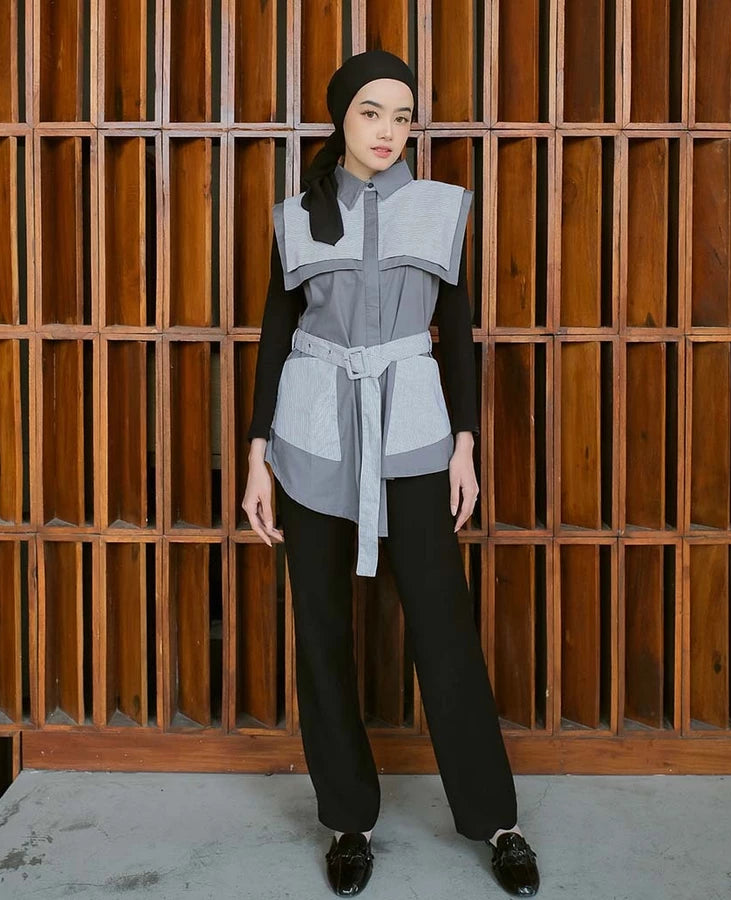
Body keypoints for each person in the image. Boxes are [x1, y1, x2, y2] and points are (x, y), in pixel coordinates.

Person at [242, 49, 540, 897]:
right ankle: (348, 819)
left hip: (411, 427)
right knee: (321, 628)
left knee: (443, 627)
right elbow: (275, 332)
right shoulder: (296, 216)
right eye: (372, 112)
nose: (388, 130)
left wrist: (464, 444)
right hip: (312, 430)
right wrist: (258, 454)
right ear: (341, 117)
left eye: (403, 116)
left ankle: (496, 820)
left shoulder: (440, 208)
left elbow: (459, 328)